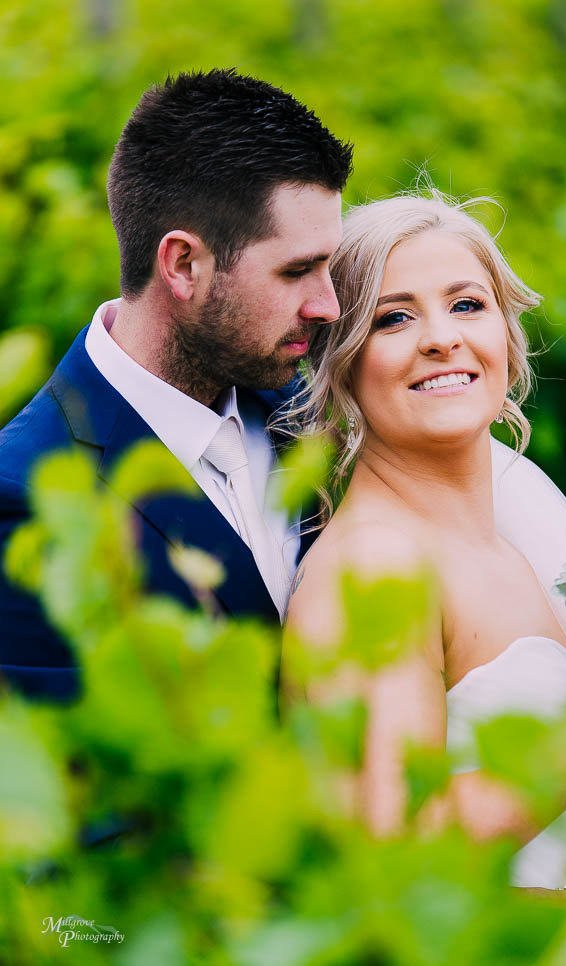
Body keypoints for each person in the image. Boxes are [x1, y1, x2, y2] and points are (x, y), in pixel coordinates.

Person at [285, 191, 566, 890]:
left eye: (467, 305)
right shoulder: (375, 566)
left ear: (505, 335)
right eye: (393, 317)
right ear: (340, 360)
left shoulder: (519, 523)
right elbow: (395, 859)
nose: (441, 337)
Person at [0, 68, 352, 702]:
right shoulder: (26, 500)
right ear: (183, 264)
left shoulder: (314, 410)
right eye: (297, 270)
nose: (327, 305)